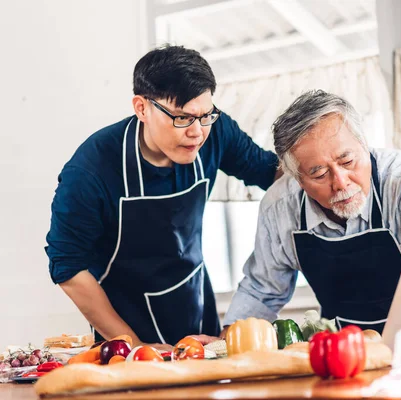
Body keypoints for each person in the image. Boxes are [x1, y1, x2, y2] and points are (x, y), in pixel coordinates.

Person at [46, 45, 280, 350]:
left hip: (195, 302)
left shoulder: (215, 131)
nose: (197, 132)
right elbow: (67, 266)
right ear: (142, 108)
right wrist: (134, 346)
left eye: (205, 116)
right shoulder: (90, 170)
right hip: (125, 324)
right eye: (182, 118)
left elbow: (269, 172)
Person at [223, 90, 401, 334]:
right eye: (320, 173)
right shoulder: (280, 206)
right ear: (298, 180)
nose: (341, 182)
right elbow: (261, 291)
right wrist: (228, 339)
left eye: (347, 161)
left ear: (364, 144)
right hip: (339, 352)